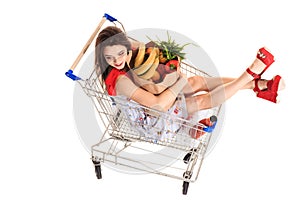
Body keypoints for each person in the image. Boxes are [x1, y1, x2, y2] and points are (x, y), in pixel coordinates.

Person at [95, 26, 285, 117]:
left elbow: (143, 48)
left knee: (196, 82)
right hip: (152, 116)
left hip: (155, 97)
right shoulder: (120, 81)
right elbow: (157, 105)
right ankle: (250, 75)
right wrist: (177, 83)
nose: (117, 61)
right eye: (110, 58)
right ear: (103, 58)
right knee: (200, 101)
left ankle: (259, 86)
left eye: (120, 53)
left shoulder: (129, 54)